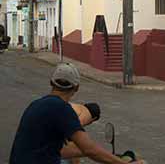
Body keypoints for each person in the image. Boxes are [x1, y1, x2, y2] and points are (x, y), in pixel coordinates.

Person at [9, 62, 144, 164]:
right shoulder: (62, 109)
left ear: (51, 82)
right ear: (77, 87)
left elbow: (61, 150)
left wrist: (104, 155)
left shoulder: (36, 104)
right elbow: (89, 149)